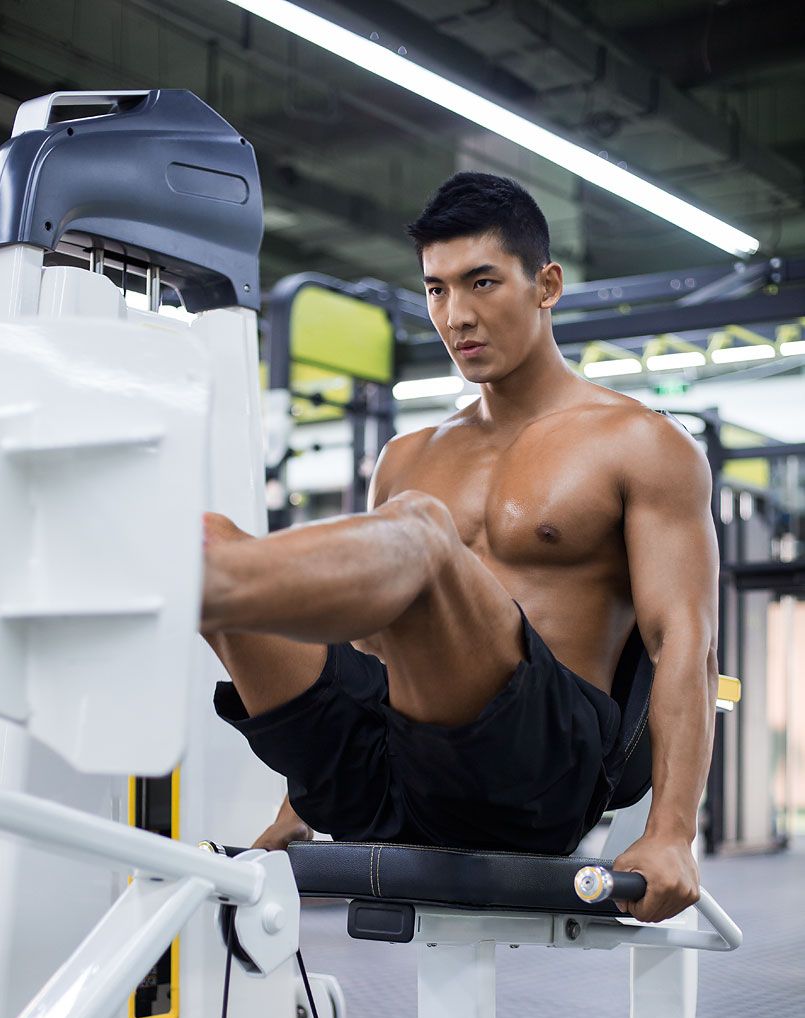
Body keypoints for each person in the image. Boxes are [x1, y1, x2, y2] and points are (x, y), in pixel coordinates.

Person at [201, 171, 719, 925]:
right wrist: (298, 798)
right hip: (390, 771)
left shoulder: (639, 442)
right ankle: (192, 571)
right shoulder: (407, 453)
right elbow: (363, 645)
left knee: (419, 532)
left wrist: (672, 832)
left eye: (480, 282)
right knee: (208, 533)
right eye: (436, 290)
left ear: (545, 284)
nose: (456, 315)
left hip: (532, 781)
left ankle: (184, 580)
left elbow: (686, 643)